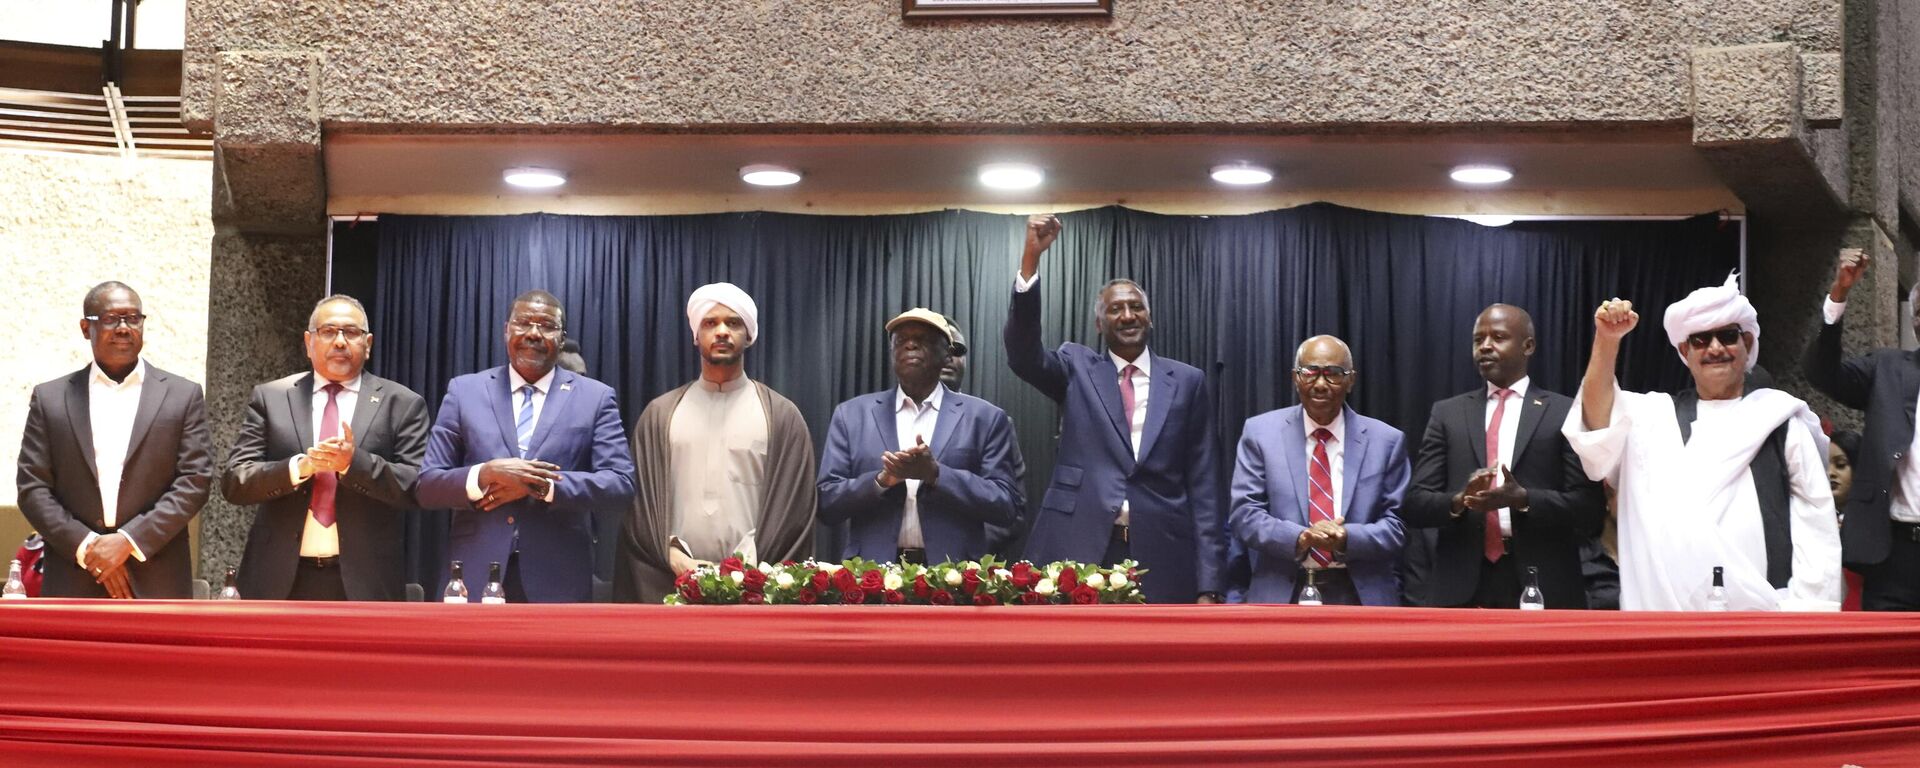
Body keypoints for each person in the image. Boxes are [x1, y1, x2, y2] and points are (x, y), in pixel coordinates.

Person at [1565, 275, 1842, 610]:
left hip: (1767, 614)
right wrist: (1607, 340)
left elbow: (1817, 524)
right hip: (1667, 614)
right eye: (1700, 340)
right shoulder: (1654, 417)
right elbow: (1597, 423)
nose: (1715, 349)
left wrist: (1811, 611)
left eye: (1727, 336)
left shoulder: (1782, 420)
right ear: (1685, 351)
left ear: (1748, 344)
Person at [1004, 214, 1225, 604]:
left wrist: (1209, 583)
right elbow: (1023, 356)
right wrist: (1030, 263)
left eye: (1136, 307)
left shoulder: (1188, 381)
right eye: (1116, 309)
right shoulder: (1077, 367)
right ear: (1098, 323)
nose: (1127, 315)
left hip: (1163, 551)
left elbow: (1205, 486)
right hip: (1080, 543)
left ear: (1149, 317)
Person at [416, 290, 636, 602]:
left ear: (561, 338)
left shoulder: (595, 398)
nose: (533, 333)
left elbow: (620, 485)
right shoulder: (464, 391)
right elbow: (428, 485)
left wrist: (538, 485)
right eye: (523, 323)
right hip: (474, 571)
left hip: (558, 576)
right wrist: (486, 474)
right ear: (507, 330)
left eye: (546, 325)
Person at [615, 283, 817, 603]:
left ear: (748, 335)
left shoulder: (781, 417)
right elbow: (637, 506)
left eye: (733, 323)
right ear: (696, 335)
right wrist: (672, 556)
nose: (722, 331)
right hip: (672, 581)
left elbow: (795, 510)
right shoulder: (660, 415)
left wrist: (744, 569)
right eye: (710, 323)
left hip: (756, 586)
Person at [222, 295, 429, 600]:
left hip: (365, 582)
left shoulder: (401, 404)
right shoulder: (272, 398)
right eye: (329, 332)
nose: (340, 342)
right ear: (309, 342)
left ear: (368, 343)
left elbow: (417, 486)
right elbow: (235, 482)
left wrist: (351, 463)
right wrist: (298, 468)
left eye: (352, 333)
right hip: (277, 580)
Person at [15, 281, 212, 598]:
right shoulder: (51, 399)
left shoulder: (182, 395)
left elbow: (195, 480)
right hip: (74, 573)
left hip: (156, 575)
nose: (124, 328)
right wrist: (89, 547)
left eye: (133, 318)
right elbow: (32, 487)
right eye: (111, 319)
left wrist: (128, 541)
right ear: (85, 327)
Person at [1404, 304, 1607, 608]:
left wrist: (1524, 499)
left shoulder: (1564, 412)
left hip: (1544, 584)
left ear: (1528, 345)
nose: (1485, 346)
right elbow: (1415, 504)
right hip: (1461, 587)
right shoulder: (1448, 414)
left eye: (1498, 337)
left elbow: (1589, 510)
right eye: (1478, 340)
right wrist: (1460, 500)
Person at [818, 309, 1025, 565]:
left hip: (955, 576)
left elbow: (1006, 506)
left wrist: (936, 474)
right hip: (872, 575)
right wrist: (882, 480)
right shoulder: (851, 415)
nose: (911, 344)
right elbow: (827, 502)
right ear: (892, 353)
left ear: (947, 354)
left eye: (923, 339)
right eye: (901, 340)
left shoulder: (985, 418)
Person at [1229, 335, 1409, 605]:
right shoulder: (1260, 434)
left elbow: (1397, 527)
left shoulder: (1386, 441)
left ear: (1351, 380)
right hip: (1280, 594)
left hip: (1359, 595)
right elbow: (1244, 515)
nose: (1321, 384)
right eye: (1310, 372)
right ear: (1295, 378)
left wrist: (1347, 538)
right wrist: (1300, 538)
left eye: (1333, 373)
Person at [1802, 248, 1920, 610]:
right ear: (1915, 321)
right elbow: (1824, 373)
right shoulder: (1888, 369)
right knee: (1886, 659)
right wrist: (1838, 297)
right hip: (1895, 553)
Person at [939, 319, 969, 391]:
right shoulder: (907, 401)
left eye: (957, 350)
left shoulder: (978, 403)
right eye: (940, 349)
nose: (949, 357)